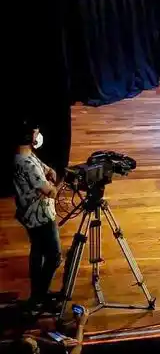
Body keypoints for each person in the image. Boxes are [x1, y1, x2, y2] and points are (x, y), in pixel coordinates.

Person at [12, 121, 61, 313]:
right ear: (29, 137)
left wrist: (49, 172)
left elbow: (44, 169)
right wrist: (60, 183)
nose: (38, 135)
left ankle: (37, 295)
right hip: (40, 216)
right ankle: (39, 297)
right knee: (54, 256)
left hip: (29, 215)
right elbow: (50, 191)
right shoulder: (27, 164)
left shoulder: (23, 155)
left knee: (38, 252)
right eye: (35, 132)